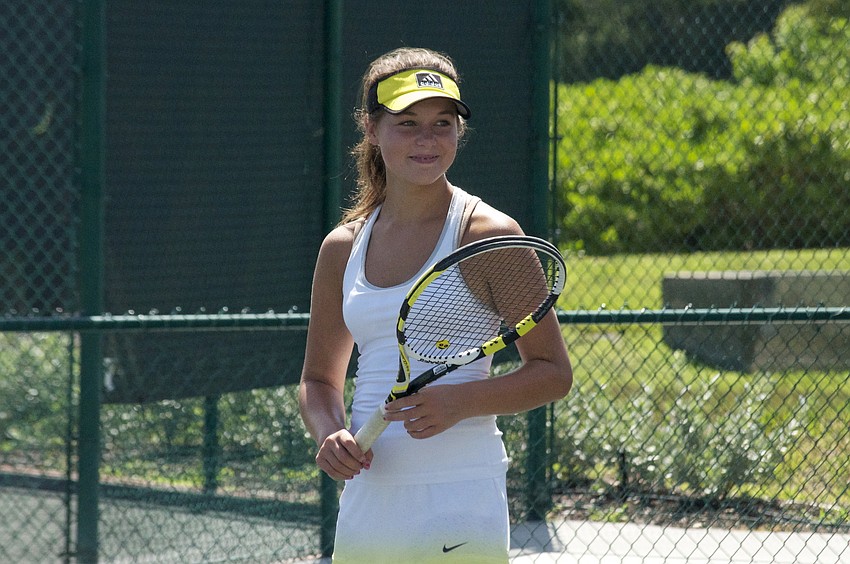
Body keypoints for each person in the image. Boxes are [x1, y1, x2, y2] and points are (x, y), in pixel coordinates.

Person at [298, 47, 572, 563]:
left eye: (442, 123)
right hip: (368, 500)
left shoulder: (490, 235)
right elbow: (318, 381)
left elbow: (553, 372)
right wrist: (331, 432)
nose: (427, 139)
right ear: (372, 129)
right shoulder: (343, 247)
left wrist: (460, 401)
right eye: (407, 123)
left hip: (461, 496)